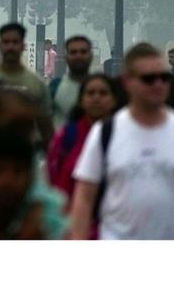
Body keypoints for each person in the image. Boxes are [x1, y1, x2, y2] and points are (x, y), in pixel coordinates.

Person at [70, 42, 174, 240]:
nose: (158, 84)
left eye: (163, 78)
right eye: (148, 79)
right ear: (128, 82)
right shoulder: (106, 132)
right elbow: (85, 196)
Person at [46, 73, 124, 236]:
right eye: (90, 93)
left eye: (103, 93)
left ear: (114, 100)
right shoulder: (66, 137)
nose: (96, 98)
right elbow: (52, 182)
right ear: (81, 100)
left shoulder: (124, 138)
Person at [0, 22, 54, 148]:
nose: (11, 47)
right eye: (6, 42)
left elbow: (45, 127)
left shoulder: (37, 84)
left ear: (23, 46)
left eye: (15, 42)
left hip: (27, 156)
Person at [49, 36, 93, 128]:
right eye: (73, 52)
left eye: (83, 52)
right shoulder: (55, 87)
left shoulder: (101, 87)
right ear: (66, 56)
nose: (78, 56)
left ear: (91, 55)